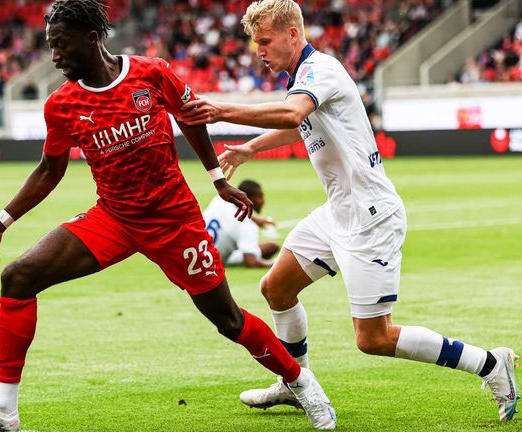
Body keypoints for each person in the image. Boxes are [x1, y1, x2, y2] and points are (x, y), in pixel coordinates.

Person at [0, 1, 336, 430]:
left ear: (92, 38)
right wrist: (0, 223)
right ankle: (4, 411)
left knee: (227, 319)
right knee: (18, 277)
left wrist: (217, 180)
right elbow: (49, 169)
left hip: (174, 221)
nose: (54, 57)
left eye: (60, 45)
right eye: (50, 46)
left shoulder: (151, 73)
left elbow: (192, 120)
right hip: (113, 219)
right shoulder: (61, 105)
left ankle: (301, 382)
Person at [175, 0, 519, 422]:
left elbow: (292, 112)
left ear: (293, 34)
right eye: (255, 43)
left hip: (370, 219)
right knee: (276, 288)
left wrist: (221, 109)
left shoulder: (321, 70)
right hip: (337, 213)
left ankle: (490, 363)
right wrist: (250, 148)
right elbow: (296, 124)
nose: (258, 51)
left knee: (373, 338)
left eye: (265, 41)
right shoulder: (302, 76)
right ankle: (293, 381)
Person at [203, 179, 280, 268]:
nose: (263, 200)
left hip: (195, 248)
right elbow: (251, 262)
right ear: (248, 198)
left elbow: (233, 214)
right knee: (271, 248)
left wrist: (254, 219)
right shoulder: (246, 226)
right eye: (260, 196)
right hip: (210, 261)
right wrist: (275, 263)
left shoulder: (220, 199)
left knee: (272, 246)